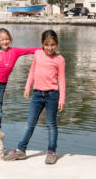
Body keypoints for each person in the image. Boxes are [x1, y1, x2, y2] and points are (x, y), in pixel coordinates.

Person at [6, 29, 65, 165]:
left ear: (56, 44)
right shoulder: (37, 54)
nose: (49, 48)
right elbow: (32, 71)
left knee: (51, 124)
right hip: (37, 94)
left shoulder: (59, 59)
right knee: (30, 124)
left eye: (52, 45)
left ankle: (51, 152)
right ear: (42, 44)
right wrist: (27, 86)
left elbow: (61, 80)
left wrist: (62, 99)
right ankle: (21, 150)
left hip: (52, 95)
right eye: (46, 45)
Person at [0, 28, 40, 139]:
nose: (5, 42)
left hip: (2, 84)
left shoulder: (15, 51)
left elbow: (29, 50)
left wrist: (43, 48)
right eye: (2, 40)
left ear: (10, 39)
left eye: (7, 39)